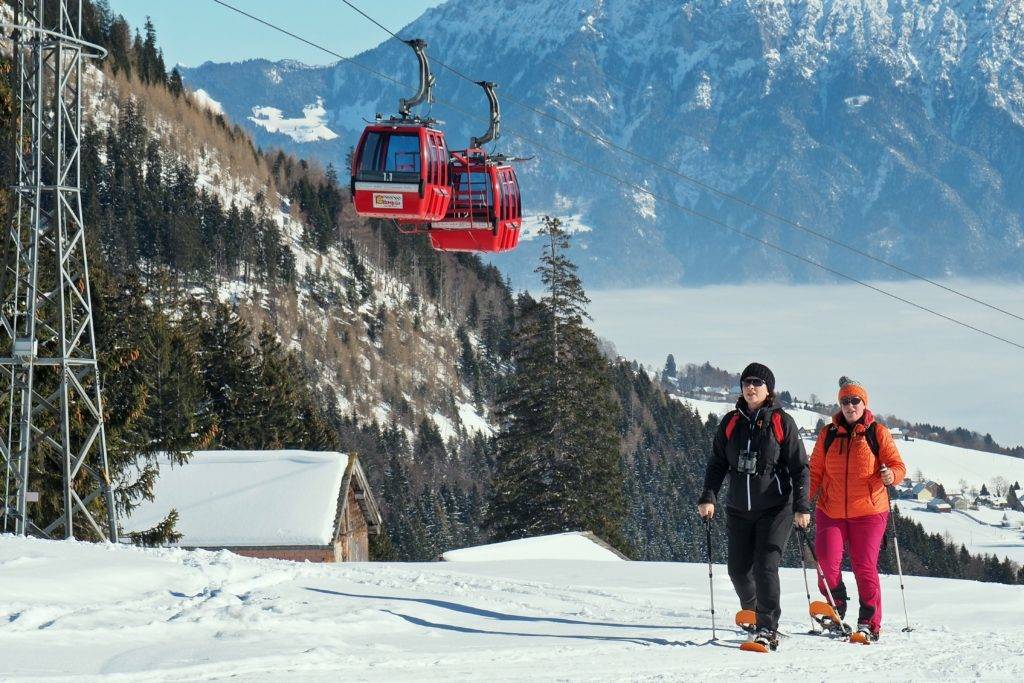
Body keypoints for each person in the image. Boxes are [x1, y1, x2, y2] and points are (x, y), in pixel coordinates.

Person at [697, 362, 810, 651]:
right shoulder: (731, 422)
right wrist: (709, 496)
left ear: (768, 389)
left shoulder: (781, 422)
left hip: (775, 508)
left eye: (757, 383)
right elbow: (717, 463)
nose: (751, 387)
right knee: (737, 570)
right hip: (738, 509)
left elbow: (800, 468)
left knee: (765, 566)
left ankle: (767, 628)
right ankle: (754, 610)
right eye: (747, 382)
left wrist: (801, 506)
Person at [808, 376, 907, 642]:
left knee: (864, 566)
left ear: (864, 403)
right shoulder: (827, 434)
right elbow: (815, 472)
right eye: (845, 401)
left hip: (870, 512)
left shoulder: (877, 433)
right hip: (830, 510)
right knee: (826, 564)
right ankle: (836, 606)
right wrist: (800, 502)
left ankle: (869, 622)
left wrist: (892, 477)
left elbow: (898, 466)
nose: (850, 406)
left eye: (855, 400)